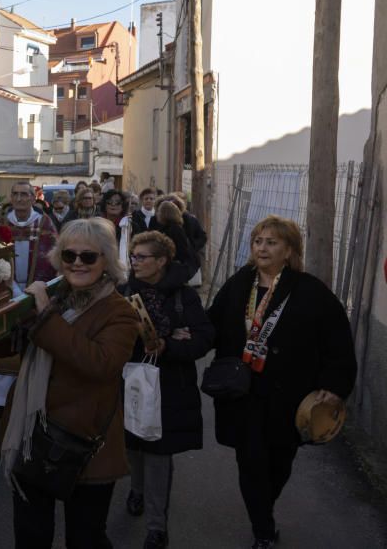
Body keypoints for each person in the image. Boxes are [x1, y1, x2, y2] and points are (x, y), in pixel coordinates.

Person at [207, 216, 357, 548]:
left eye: (271, 242)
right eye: (258, 241)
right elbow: (212, 324)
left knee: (279, 462)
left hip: (288, 397)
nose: (262, 247)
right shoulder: (238, 284)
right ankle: (263, 530)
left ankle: (264, 507)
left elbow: (338, 343)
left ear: (289, 251)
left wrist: (334, 386)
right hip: (242, 393)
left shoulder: (311, 292)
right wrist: (184, 335)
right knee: (249, 462)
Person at [0, 218, 140, 549]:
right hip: (33, 436)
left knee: (85, 538)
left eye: (88, 257)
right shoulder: (55, 296)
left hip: (84, 443)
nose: (77, 263)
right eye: (69, 255)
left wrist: (46, 316)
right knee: (31, 537)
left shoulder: (119, 311)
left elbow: (100, 364)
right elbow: (4, 352)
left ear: (106, 261)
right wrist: (6, 315)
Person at [122, 232, 214, 549]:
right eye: (133, 256)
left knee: (158, 456)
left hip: (169, 387)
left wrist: (169, 345)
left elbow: (203, 338)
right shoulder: (122, 292)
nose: (134, 262)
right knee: (133, 446)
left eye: (141, 257)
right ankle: (137, 490)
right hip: (130, 383)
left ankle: (156, 527)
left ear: (161, 261)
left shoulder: (183, 297)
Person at [0, 181, 59, 474]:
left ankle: (23, 438)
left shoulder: (45, 225)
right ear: (10, 198)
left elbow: (54, 262)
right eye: (15, 194)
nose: (19, 198)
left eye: (25, 194)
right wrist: (7, 289)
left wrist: (32, 295)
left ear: (33, 198)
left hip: (31, 305)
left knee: (28, 373)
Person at [152, 200, 198, 281]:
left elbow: (181, 250)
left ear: (165, 213)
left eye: (159, 211)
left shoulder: (175, 229)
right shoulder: (167, 227)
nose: (157, 214)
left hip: (176, 267)